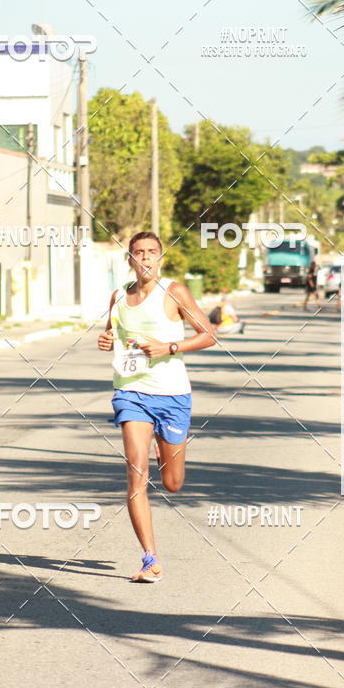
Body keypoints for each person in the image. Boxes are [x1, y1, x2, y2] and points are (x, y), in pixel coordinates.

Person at [97, 231, 216, 583]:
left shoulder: (174, 291)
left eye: (152, 252)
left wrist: (170, 347)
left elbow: (209, 334)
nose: (145, 257)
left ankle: (167, 451)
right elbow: (112, 334)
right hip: (131, 392)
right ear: (130, 259)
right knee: (137, 474)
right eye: (139, 252)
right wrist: (106, 340)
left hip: (172, 395)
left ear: (160, 257)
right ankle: (150, 559)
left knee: (172, 482)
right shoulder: (119, 296)